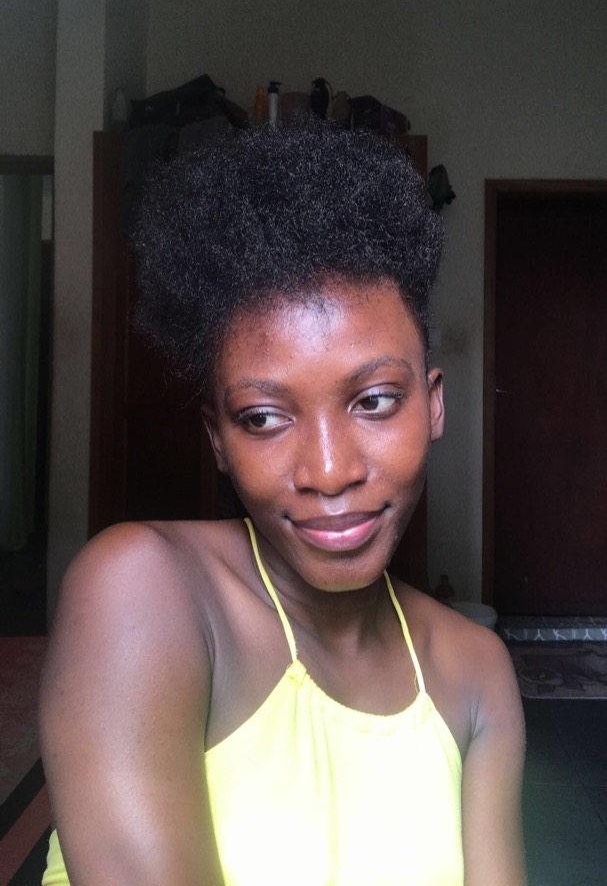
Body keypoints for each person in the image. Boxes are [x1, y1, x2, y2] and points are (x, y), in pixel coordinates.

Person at [40, 122, 526, 885]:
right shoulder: (140, 588)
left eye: (373, 400)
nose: (328, 472)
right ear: (218, 439)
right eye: (263, 418)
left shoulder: (476, 673)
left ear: (432, 405)